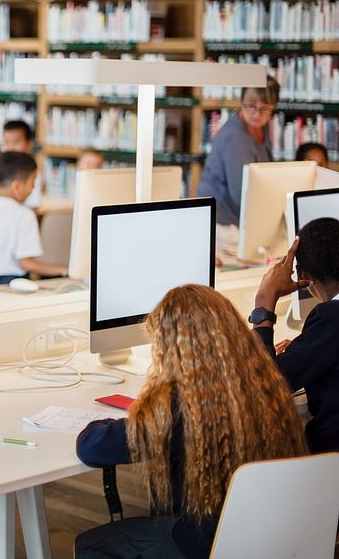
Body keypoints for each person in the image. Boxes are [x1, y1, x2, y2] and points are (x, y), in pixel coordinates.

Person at [75, 284, 306, 558]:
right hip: (274, 535)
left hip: (207, 544)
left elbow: (92, 447)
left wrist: (144, 408)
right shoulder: (265, 382)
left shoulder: (179, 405)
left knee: (92, 542)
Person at [250, 220, 339, 453]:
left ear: (301, 274)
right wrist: (308, 345)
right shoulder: (328, 326)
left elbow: (262, 387)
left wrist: (264, 301)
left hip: (328, 473)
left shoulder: (330, 319)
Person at [197, 76, 278, 255]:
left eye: (264, 109)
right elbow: (241, 193)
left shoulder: (260, 128)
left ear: (273, 108)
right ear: (241, 102)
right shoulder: (236, 138)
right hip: (222, 224)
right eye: (250, 106)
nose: (257, 114)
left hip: (238, 220)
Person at [0, 152, 67, 285]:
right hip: (13, 282)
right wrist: (62, 269)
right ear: (17, 186)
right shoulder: (24, 214)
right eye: (32, 182)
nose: (33, 188)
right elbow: (26, 263)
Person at [0, 119, 43, 208]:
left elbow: (34, 205)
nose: (10, 147)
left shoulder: (32, 174)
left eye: (16, 142)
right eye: (6, 142)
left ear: (28, 144)